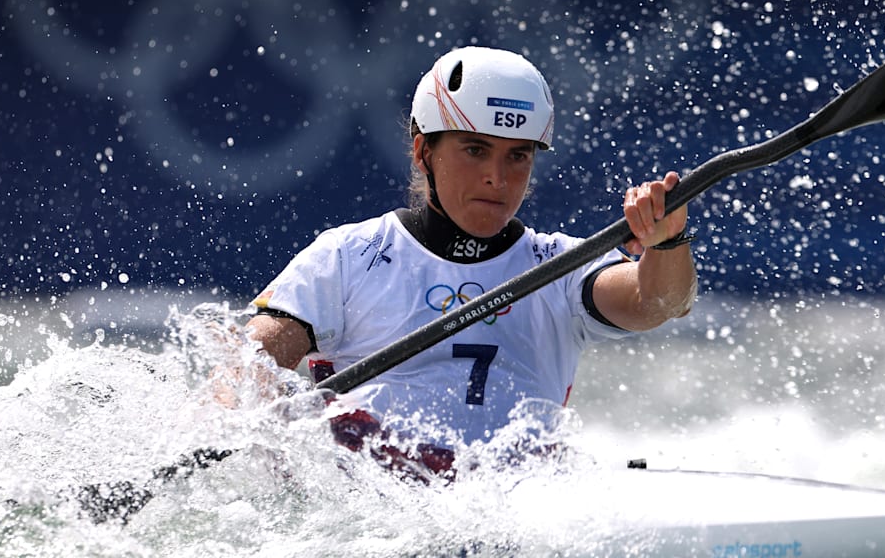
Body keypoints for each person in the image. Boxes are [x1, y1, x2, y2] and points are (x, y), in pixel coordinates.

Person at [242, 46, 697, 477]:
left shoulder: (562, 265)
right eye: (476, 150)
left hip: (509, 515)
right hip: (372, 514)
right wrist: (264, 443)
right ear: (424, 152)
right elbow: (248, 366)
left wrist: (666, 243)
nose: (497, 178)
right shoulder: (347, 256)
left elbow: (657, 302)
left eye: (517, 156)